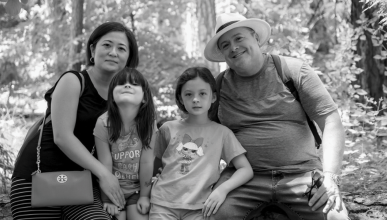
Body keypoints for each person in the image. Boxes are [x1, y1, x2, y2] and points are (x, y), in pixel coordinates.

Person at [203, 13, 350, 220]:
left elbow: (331, 121)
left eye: (239, 38)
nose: (233, 47)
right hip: (242, 179)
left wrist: (330, 177)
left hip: (302, 175)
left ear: (255, 36)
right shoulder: (218, 85)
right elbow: (204, 134)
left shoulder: (292, 70)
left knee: (335, 217)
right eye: (225, 45)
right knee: (212, 215)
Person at [10, 21, 139, 219]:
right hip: (37, 178)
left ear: (128, 57)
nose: (113, 52)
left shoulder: (121, 97)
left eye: (121, 48)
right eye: (107, 45)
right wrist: (104, 175)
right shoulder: (73, 80)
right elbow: (62, 136)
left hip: (82, 182)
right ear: (93, 49)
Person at [149, 67, 254, 220]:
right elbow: (154, 161)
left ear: (213, 97)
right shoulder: (167, 129)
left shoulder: (222, 133)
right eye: (189, 94)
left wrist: (222, 190)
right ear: (180, 98)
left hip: (199, 209)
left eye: (202, 93)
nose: (196, 99)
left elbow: (246, 170)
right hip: (162, 204)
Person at [94, 67, 156, 220]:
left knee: (139, 217)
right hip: (113, 188)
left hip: (137, 189)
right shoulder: (103, 123)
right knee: (118, 218)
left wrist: (144, 196)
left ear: (144, 98)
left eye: (134, 84)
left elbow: (147, 162)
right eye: (121, 83)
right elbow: (105, 164)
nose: (127, 86)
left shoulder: (149, 124)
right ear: (112, 96)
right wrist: (108, 198)